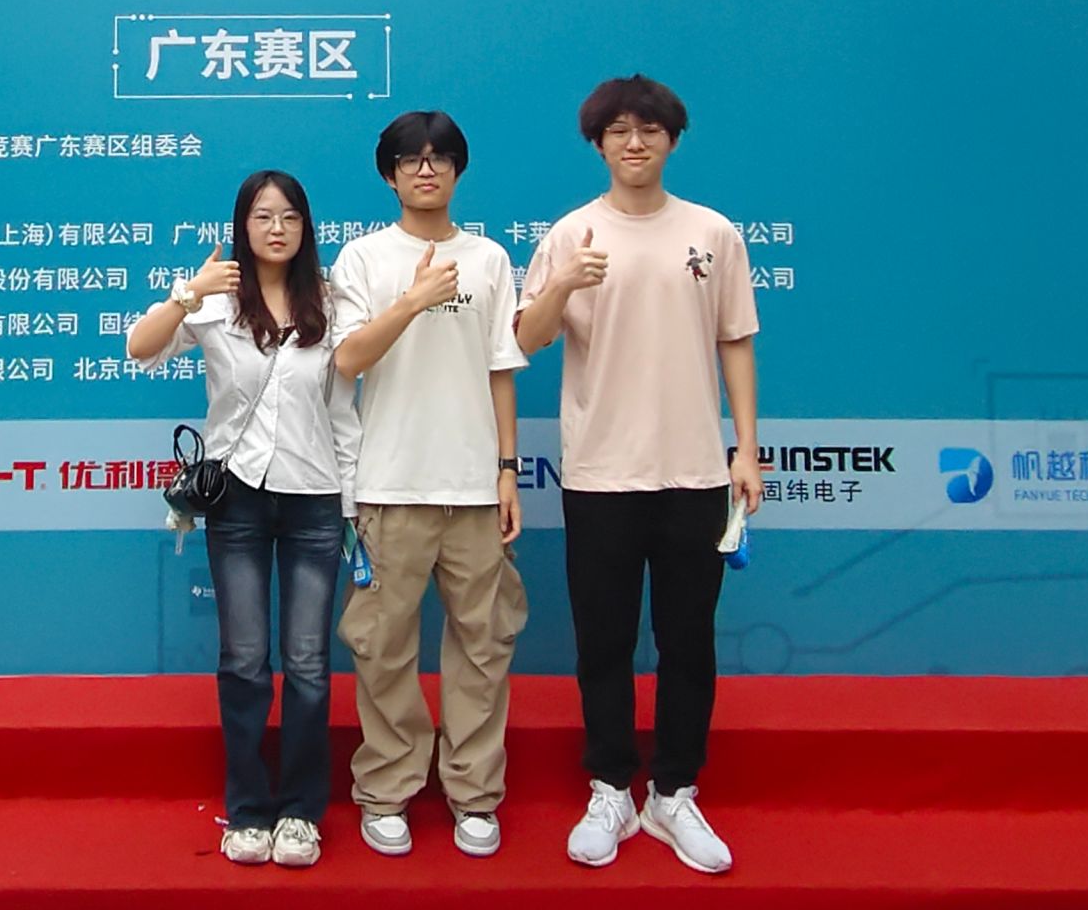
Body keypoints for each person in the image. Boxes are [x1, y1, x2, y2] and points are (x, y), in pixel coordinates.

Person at [515, 75, 764, 876]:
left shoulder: (712, 232)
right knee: (605, 642)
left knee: (688, 642)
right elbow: (527, 339)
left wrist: (746, 448)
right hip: (600, 473)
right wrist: (563, 283)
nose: (634, 142)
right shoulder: (571, 234)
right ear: (598, 144)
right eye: (617, 130)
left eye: (649, 129)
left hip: (693, 471)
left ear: (672, 140)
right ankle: (610, 788)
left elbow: (735, 339)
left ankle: (674, 793)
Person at [127, 169, 358, 869]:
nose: (276, 228)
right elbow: (140, 346)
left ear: (306, 227)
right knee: (245, 660)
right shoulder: (217, 299)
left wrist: (353, 504)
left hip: (315, 496)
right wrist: (188, 292)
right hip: (238, 499)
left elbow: (342, 412)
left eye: (289, 216)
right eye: (263, 216)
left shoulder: (332, 301)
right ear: (242, 226)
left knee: (310, 664)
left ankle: (301, 813)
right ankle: (250, 810)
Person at [328, 111, 529, 860]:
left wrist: (507, 470)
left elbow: (501, 369)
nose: (426, 169)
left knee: (484, 644)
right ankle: (388, 787)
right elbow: (348, 359)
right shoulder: (363, 258)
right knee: (383, 647)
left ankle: (474, 793)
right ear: (389, 174)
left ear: (458, 170)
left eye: (441, 157)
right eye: (410, 159)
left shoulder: (489, 258)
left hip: (474, 488)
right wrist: (412, 300)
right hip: (390, 483)